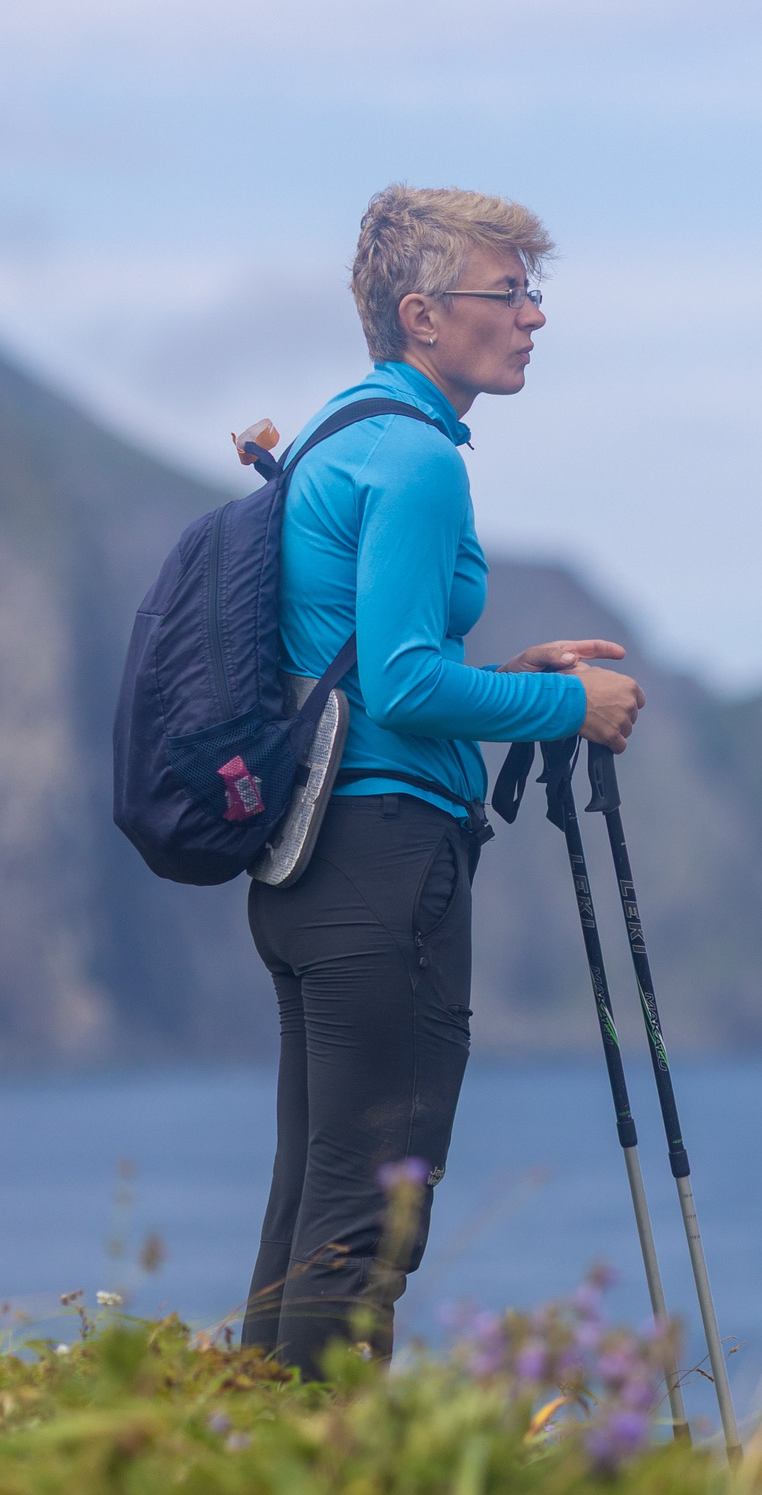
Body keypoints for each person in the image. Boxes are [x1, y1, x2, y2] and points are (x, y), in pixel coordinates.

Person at [241, 185, 646, 1375]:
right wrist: (573, 703)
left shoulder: (338, 436)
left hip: (307, 866)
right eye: (506, 292)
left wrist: (511, 677)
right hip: (383, 863)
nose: (532, 317)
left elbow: (368, 665)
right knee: (373, 1211)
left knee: (313, 1198)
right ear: (422, 313)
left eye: (534, 291)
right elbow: (410, 688)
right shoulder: (414, 460)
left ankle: (232, 1468)